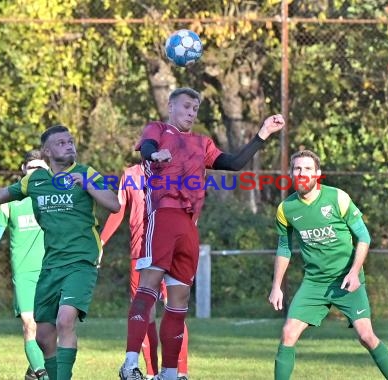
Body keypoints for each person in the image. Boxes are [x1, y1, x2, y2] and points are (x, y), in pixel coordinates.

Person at [119, 87, 284, 380]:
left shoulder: (202, 142)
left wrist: (262, 134)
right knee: (148, 288)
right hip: (164, 216)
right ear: (170, 106)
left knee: (179, 301)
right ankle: (131, 363)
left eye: (195, 108)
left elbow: (233, 163)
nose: (191, 112)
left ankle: (170, 373)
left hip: (190, 226)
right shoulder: (158, 129)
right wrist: (155, 153)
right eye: (186, 106)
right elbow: (146, 148)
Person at [0, 125, 120, 380]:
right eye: (61, 142)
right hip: (50, 265)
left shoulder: (85, 172)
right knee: (43, 335)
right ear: (47, 151)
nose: (69, 145)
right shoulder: (35, 181)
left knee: (65, 320)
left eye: (71, 141)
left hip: (81, 261)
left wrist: (87, 184)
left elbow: (114, 204)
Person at [268, 149, 388, 380]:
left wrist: (354, 272)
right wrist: (276, 286)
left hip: (347, 278)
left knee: (366, 336)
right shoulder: (286, 209)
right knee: (288, 333)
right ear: (291, 173)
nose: (302, 173)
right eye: (297, 168)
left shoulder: (337, 198)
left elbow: (364, 237)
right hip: (314, 282)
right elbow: (284, 248)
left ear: (318, 173)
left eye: (308, 169)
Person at [100, 163, 189, 380]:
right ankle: (151, 373)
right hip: (140, 253)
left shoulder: (178, 171)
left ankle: (179, 373)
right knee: (145, 312)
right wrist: (100, 242)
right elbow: (118, 209)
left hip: (171, 252)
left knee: (174, 310)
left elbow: (191, 208)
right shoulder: (130, 175)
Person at [0, 149, 49, 380]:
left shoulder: (54, 197)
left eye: (41, 168)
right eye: (31, 167)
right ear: (23, 170)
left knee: (48, 334)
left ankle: (32, 371)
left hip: (51, 271)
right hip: (24, 272)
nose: (35, 171)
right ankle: (43, 375)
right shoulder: (11, 200)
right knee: (29, 325)